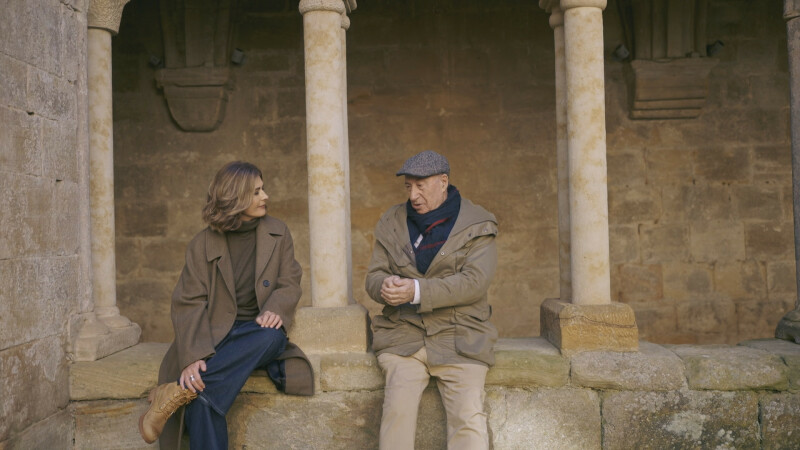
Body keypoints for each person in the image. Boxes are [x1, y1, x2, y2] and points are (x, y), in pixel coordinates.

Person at [138, 161, 313, 449]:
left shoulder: (278, 232)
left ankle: (177, 392)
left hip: (256, 333)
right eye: (256, 192)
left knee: (271, 337)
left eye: (263, 189)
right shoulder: (201, 244)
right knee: (203, 400)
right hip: (215, 336)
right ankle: (190, 392)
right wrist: (194, 355)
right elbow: (188, 302)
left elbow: (290, 281)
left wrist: (276, 308)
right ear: (236, 197)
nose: (265, 196)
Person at [365, 150, 499, 450]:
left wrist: (416, 291)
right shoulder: (392, 221)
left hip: (460, 336)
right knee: (396, 411)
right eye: (408, 186)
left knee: (468, 417)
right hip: (405, 336)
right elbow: (373, 276)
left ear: (443, 182)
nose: (413, 195)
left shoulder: (477, 223)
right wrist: (384, 285)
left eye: (420, 186)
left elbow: (474, 283)